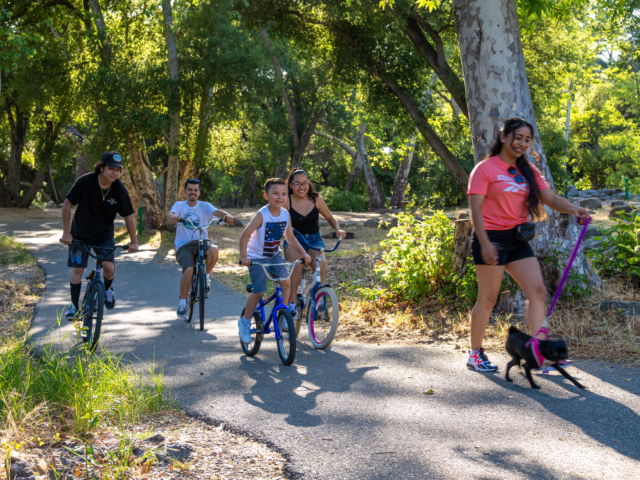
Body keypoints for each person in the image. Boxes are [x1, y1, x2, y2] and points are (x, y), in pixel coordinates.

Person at [466, 118, 590, 372]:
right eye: (518, 137)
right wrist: (485, 243)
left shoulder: (529, 171)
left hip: (518, 239)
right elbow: (475, 209)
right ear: (504, 137)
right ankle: (475, 354)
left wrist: (575, 209)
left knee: (538, 291)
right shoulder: (485, 169)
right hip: (491, 237)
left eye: (527, 139)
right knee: (488, 297)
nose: (523, 143)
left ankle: (539, 351)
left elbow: (551, 199)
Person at [60, 151, 139, 319]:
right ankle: (74, 306)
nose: (115, 173)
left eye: (118, 170)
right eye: (111, 169)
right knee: (78, 268)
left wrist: (134, 241)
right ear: (101, 168)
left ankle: (108, 289)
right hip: (79, 235)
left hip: (104, 237)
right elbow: (67, 204)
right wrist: (66, 232)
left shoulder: (119, 188)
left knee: (108, 267)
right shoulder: (85, 182)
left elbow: (128, 216)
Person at [238, 178, 311, 344]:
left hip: (274, 255)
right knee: (259, 291)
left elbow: (290, 238)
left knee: (286, 283)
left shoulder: (286, 214)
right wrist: (244, 257)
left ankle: (283, 315)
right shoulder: (262, 215)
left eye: (284, 194)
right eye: (275, 193)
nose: (280, 197)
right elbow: (245, 235)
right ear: (266, 195)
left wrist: (303, 254)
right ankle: (245, 321)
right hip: (256, 258)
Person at [283, 169, 346, 318]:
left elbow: (330, 218)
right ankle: (292, 304)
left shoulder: (316, 199)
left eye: (305, 183)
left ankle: (318, 297)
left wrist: (337, 229)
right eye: (297, 184)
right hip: (293, 241)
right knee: (298, 262)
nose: (302, 187)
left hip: (314, 239)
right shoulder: (286, 201)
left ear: (309, 183)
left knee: (320, 259)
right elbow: (288, 232)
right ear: (291, 185)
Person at [168, 179, 234, 318]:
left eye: (195, 190)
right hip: (184, 245)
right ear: (185, 191)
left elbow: (216, 211)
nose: (193, 192)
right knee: (189, 269)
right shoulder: (179, 205)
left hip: (202, 241)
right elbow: (171, 214)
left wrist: (226, 215)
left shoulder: (204, 206)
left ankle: (206, 277)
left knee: (214, 250)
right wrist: (173, 217)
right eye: (190, 190)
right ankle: (182, 303)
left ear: (199, 192)